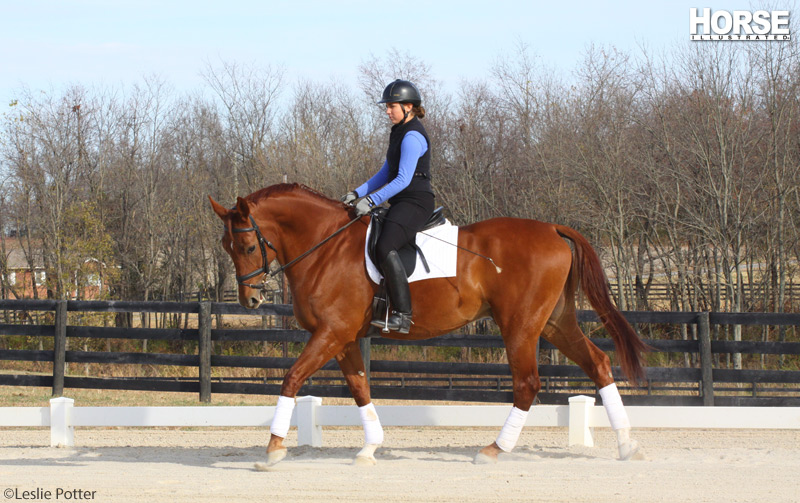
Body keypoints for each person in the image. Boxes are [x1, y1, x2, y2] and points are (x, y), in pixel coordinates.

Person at [341, 79, 435, 334]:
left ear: (408, 106)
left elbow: (403, 179)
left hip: (416, 201)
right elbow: (386, 172)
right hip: (402, 200)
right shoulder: (398, 132)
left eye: (391, 106)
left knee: (385, 245)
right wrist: (356, 193)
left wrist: (370, 201)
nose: (387, 111)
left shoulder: (413, 135)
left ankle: (403, 315)